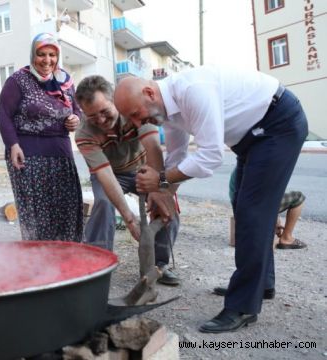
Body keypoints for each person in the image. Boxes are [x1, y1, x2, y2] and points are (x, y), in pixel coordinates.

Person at [114, 65, 308, 333]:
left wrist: (160, 181)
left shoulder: (193, 91)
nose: (138, 123)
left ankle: (243, 306)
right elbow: (178, 155)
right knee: (245, 209)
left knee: (254, 213)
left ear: (149, 92)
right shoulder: (167, 110)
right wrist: (164, 192)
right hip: (250, 139)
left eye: (136, 115)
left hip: (277, 124)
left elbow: (210, 156)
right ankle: (260, 284)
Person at [74, 75, 180, 286]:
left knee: (168, 205)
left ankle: (159, 264)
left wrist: (159, 189)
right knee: (103, 204)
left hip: (142, 168)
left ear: (114, 100)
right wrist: (130, 219)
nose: (101, 121)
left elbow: (152, 147)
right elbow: (105, 175)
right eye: (93, 116)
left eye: (105, 112)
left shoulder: (133, 109)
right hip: (110, 173)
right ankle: (98, 263)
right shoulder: (84, 133)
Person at [0, 33, 83, 242]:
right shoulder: (18, 80)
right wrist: (13, 145)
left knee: (67, 206)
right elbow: (3, 114)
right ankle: (38, 259)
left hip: (61, 153)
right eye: (41, 54)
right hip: (28, 154)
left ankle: (66, 256)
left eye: (52, 54)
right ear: (33, 55)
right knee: (37, 210)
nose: (47, 60)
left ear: (57, 56)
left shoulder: (65, 81)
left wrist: (75, 119)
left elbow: (77, 109)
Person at [227, 168, 308, 250]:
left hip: (240, 210)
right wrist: (274, 222)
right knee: (298, 197)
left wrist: (274, 222)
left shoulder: (240, 166)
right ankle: (286, 238)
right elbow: (270, 198)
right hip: (255, 207)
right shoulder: (264, 165)